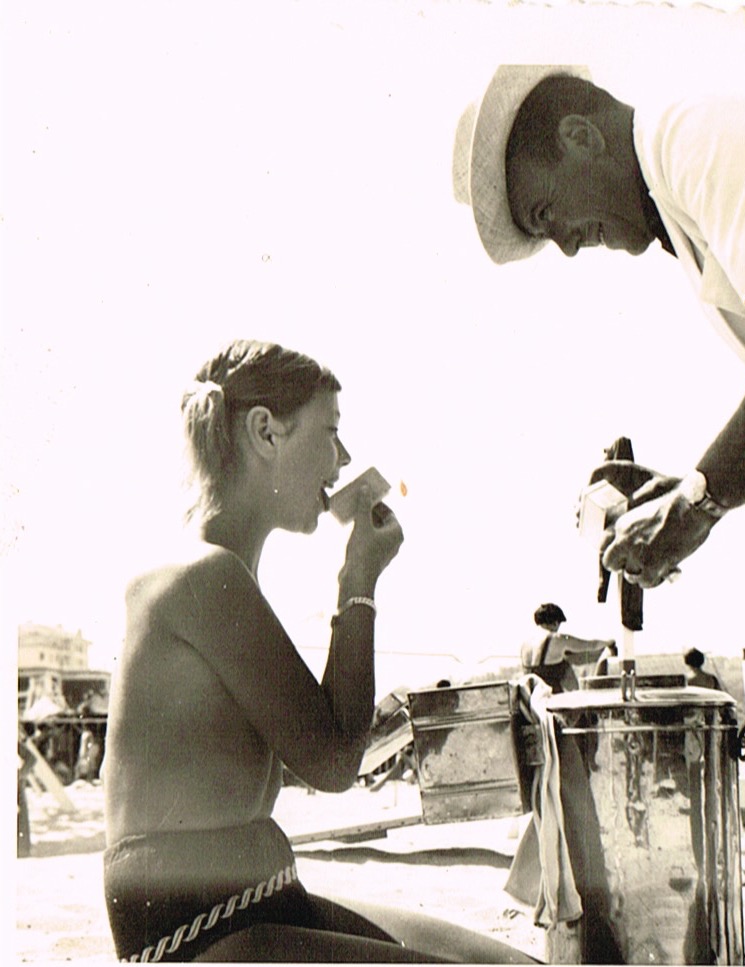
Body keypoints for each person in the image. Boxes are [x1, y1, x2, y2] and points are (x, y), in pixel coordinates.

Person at [455, 47, 745, 964]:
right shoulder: (696, 224)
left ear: (580, 133)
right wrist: (687, 487)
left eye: (548, 213)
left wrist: (705, 498)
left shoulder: (695, 128)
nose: (563, 243)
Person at [102, 339, 535, 964]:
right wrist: (357, 583)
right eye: (330, 432)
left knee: (512, 963)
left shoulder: (224, 576)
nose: (344, 458)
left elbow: (324, 750)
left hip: (261, 899)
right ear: (265, 433)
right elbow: (334, 765)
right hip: (197, 934)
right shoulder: (201, 577)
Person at [521, 602, 615, 694]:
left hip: (530, 698)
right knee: (566, 665)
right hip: (551, 699)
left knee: (564, 661)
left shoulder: (525, 644)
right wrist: (609, 642)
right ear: (555, 622)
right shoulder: (557, 638)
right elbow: (591, 645)